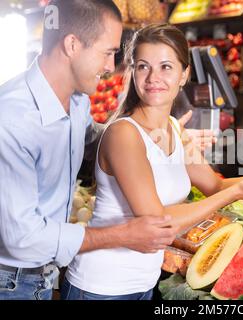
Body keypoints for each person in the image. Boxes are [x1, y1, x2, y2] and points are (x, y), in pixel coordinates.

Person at [61, 23, 243, 301]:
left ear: (184, 75)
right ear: (132, 72)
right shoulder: (124, 134)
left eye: (166, 67)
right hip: (100, 287)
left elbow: (214, 185)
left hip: (143, 283)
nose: (152, 77)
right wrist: (236, 193)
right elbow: (156, 220)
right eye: (143, 66)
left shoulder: (174, 128)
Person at [0, 0, 202, 300]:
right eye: (107, 52)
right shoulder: (12, 117)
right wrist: (121, 235)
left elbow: (92, 138)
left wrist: (156, 136)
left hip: (45, 273)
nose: (111, 67)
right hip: (10, 280)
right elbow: (22, 238)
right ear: (71, 44)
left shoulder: (77, 101)